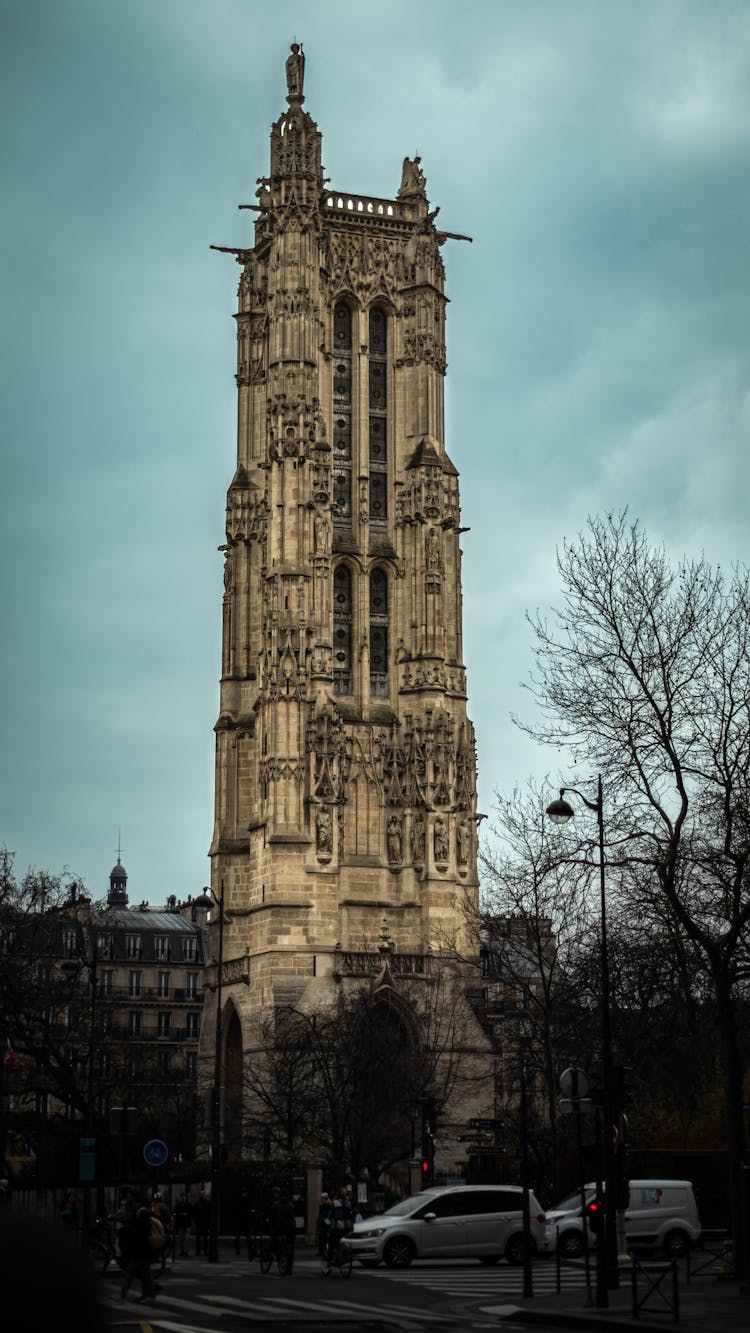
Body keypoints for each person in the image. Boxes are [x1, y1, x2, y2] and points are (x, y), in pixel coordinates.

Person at [120, 1204, 158, 1303]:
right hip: (144, 1251)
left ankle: (122, 1296)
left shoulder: (141, 1214)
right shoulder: (143, 1214)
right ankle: (151, 1295)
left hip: (140, 1250)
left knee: (131, 1271)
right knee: (145, 1274)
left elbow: (137, 1232)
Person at [268, 1185, 296, 1274]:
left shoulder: (276, 1205)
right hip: (290, 1229)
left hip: (279, 1228)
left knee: (275, 1241)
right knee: (290, 1248)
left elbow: (271, 1217)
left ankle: (275, 1254)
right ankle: (290, 1269)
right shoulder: (291, 1205)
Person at [233, 1183, 256, 1259]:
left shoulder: (240, 1199)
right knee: (246, 1237)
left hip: (242, 1220)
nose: (244, 1194)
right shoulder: (247, 1200)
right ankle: (247, 1250)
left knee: (240, 1236)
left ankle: (239, 1249)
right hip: (244, 1220)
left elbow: (236, 1209)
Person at [191, 1187, 211, 1257]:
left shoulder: (205, 1203)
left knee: (203, 1238)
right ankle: (200, 1251)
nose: (202, 1195)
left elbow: (209, 1213)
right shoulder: (199, 1203)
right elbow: (194, 1213)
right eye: (201, 1194)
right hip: (200, 1222)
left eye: (203, 1194)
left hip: (203, 1222)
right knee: (199, 1238)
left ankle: (203, 1251)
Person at [316, 1191, 336, 1259]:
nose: (321, 1199)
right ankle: (322, 1252)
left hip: (325, 1224)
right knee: (321, 1238)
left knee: (324, 1239)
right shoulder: (324, 1205)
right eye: (321, 1198)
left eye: (322, 1198)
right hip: (323, 1223)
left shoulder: (327, 1206)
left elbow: (325, 1216)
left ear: (325, 1198)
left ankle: (325, 1252)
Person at [172, 1192, 192, 1257]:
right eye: (181, 1197)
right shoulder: (178, 1206)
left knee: (186, 1239)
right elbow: (175, 1213)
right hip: (181, 1224)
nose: (182, 1198)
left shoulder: (188, 1205)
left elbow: (190, 1213)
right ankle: (182, 1251)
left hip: (187, 1224)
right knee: (181, 1239)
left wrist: (181, 1214)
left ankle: (185, 1251)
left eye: (183, 1197)